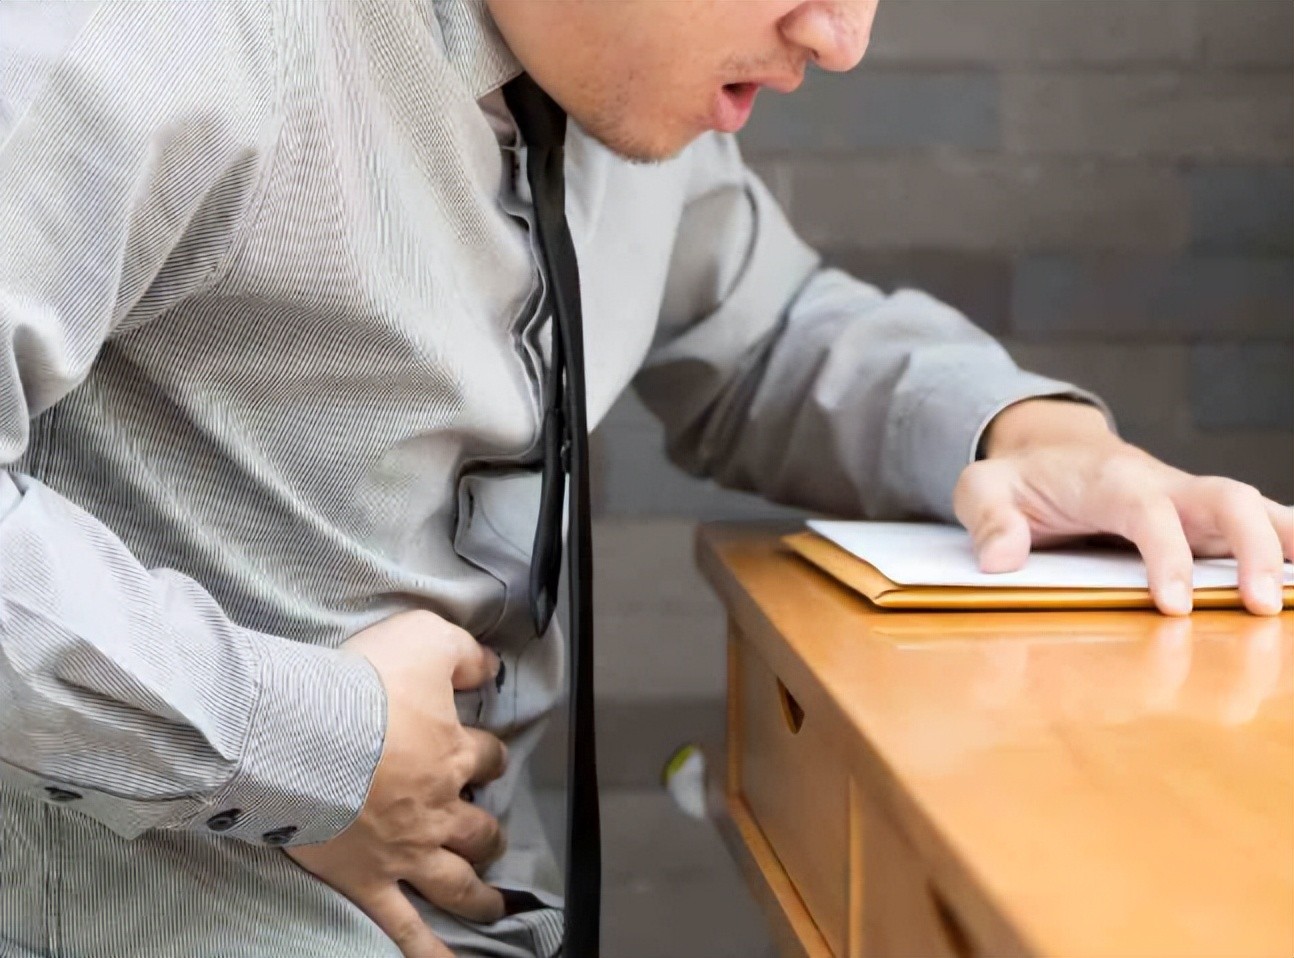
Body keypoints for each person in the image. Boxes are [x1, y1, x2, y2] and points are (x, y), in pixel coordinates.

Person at [0, 1, 1288, 956]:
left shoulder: (618, 80)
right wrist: (312, 742)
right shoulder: (160, 36)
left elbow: (765, 329)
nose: (843, 37)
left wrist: (1034, 438)